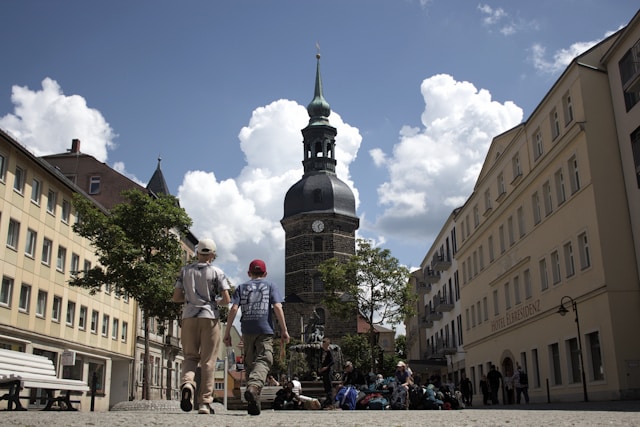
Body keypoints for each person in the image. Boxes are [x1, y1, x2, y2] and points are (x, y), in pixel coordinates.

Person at [223, 259, 290, 416]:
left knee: (250, 363)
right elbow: (278, 307)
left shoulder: (241, 287)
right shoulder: (271, 286)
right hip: (264, 329)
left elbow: (233, 308)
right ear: (265, 273)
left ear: (249, 273)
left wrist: (227, 332)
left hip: (247, 329)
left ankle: (254, 402)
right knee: (264, 360)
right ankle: (253, 388)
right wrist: (284, 330)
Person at [172, 238, 232, 415]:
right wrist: (214, 301)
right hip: (209, 318)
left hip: (189, 317)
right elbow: (226, 299)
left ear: (198, 253)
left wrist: (191, 300)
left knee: (190, 357)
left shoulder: (184, 271)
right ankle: (205, 403)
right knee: (208, 362)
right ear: (212, 255)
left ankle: (188, 384)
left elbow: (176, 297)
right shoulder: (217, 272)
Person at [318, 337, 334, 408]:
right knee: (326, 386)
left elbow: (332, 361)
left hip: (327, 371)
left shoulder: (329, 352)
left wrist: (326, 367)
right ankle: (327, 401)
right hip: (323, 371)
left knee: (329, 386)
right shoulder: (322, 351)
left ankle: (330, 402)